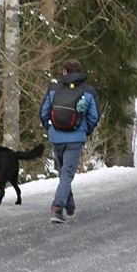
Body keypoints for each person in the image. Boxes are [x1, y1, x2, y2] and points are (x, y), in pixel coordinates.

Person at [40, 58, 100, 223]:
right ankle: (57, 208)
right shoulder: (88, 91)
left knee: (63, 173)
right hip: (76, 138)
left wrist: (50, 129)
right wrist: (84, 131)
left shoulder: (54, 89)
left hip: (56, 137)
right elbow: (94, 116)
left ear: (65, 72)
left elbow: (44, 112)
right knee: (66, 174)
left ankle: (70, 205)